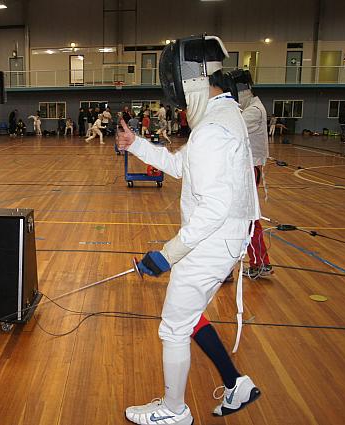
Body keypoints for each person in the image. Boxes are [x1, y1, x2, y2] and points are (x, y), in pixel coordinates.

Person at [118, 36, 261, 425]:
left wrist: (168, 254)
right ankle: (235, 383)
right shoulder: (222, 116)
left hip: (212, 239)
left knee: (173, 327)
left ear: (191, 79)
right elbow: (184, 167)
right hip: (222, 237)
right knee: (189, 314)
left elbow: (214, 208)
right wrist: (136, 145)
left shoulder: (214, 128)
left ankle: (174, 410)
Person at [227, 69, 272, 278]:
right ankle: (258, 263)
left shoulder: (254, 111)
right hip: (243, 170)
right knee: (242, 219)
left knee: (245, 220)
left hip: (248, 171)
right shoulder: (249, 108)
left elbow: (229, 130)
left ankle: (259, 263)